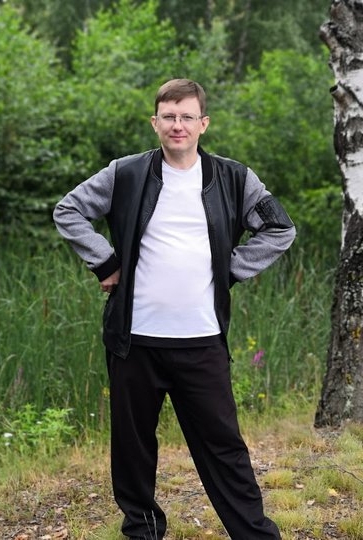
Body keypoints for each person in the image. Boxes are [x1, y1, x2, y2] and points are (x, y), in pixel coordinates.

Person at [53, 79, 295, 539]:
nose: (177, 125)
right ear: (155, 123)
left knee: (224, 449)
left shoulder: (234, 178)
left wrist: (230, 268)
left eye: (187, 116)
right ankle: (142, 532)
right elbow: (68, 210)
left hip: (201, 341)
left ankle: (255, 535)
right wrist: (105, 261)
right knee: (133, 451)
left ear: (204, 123)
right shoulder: (125, 174)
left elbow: (280, 228)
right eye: (169, 116)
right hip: (134, 341)